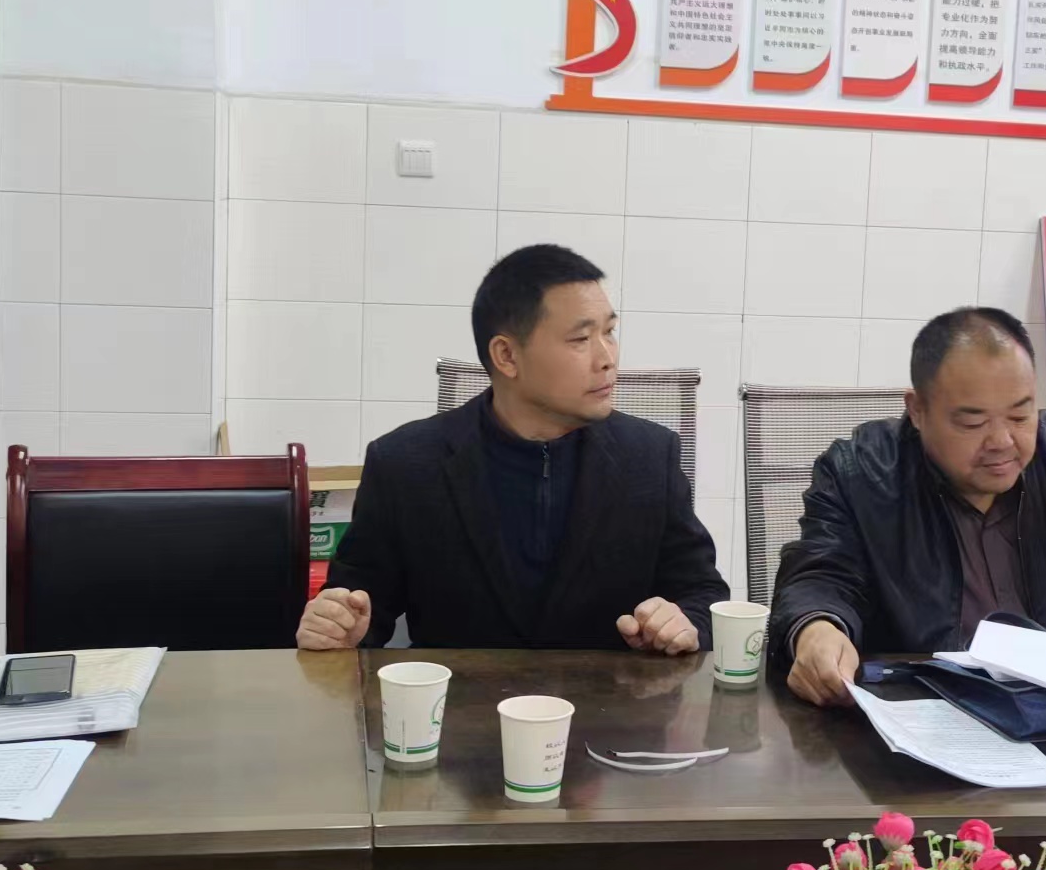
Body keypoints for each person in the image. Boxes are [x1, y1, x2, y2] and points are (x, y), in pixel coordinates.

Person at [296, 244, 727, 653]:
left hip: (612, 701)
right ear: (506, 356)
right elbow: (361, 609)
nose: (607, 358)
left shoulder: (649, 457)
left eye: (609, 332)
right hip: (460, 702)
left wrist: (684, 622)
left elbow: (701, 593)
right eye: (580, 339)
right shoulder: (405, 464)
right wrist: (339, 631)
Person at [770, 307, 1046, 707]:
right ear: (917, 410)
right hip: (925, 707)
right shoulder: (859, 471)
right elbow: (822, 576)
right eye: (973, 422)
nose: (1002, 442)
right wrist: (817, 627)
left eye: (1020, 416)